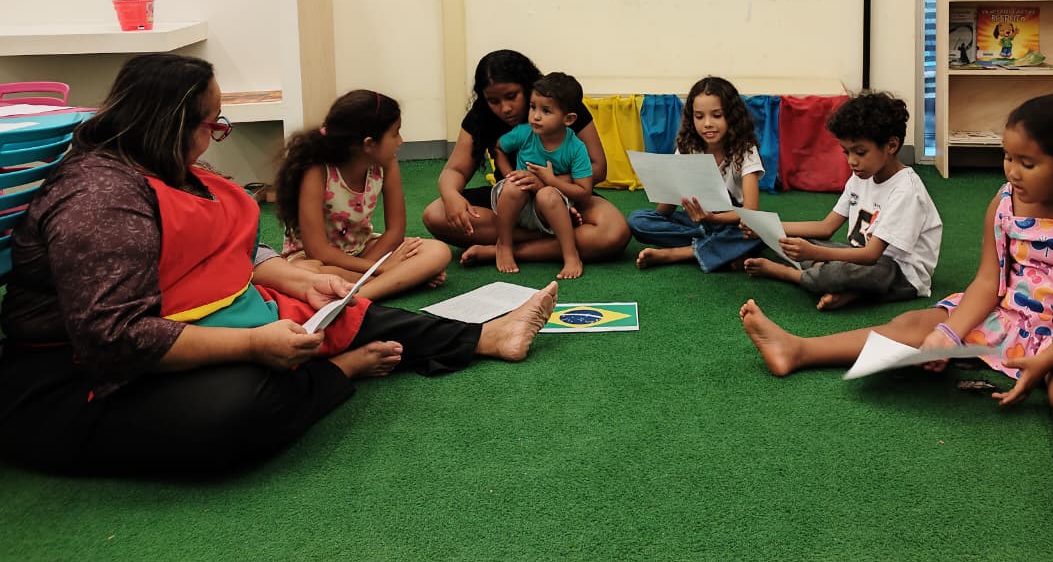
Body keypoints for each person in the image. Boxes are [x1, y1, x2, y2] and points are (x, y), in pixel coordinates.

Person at [0, 54, 558, 476]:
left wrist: (303, 280)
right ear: (171, 125)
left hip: (196, 316)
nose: (216, 138)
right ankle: (339, 372)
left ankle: (484, 338)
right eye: (213, 126)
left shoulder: (169, 168)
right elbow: (115, 338)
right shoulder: (100, 199)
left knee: (337, 308)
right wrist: (251, 344)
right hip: (78, 377)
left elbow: (239, 252)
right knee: (239, 408)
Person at [739, 94, 1053, 509]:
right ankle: (799, 350)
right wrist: (949, 333)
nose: (1012, 171)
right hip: (1009, 314)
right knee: (914, 325)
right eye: (1007, 158)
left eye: (1027, 163)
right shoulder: (1005, 201)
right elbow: (987, 283)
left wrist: (1046, 361)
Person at [422, 50, 629, 265]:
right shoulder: (481, 115)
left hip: (563, 195)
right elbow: (455, 169)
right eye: (493, 101)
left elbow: (598, 166)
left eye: (512, 96)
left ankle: (504, 250)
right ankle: (556, 233)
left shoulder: (561, 103)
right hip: (512, 200)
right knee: (436, 214)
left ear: (528, 87)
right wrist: (451, 196)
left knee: (614, 231)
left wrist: (548, 182)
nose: (505, 108)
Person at [744, 91, 942, 310]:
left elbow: (871, 255)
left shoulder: (906, 190)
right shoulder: (861, 176)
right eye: (846, 152)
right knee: (787, 241)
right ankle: (848, 291)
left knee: (840, 271)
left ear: (891, 146)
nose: (852, 161)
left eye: (860, 152)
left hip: (898, 272)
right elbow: (825, 227)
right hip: (857, 255)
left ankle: (790, 274)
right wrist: (766, 228)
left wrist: (814, 253)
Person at [275, 89, 451, 301]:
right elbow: (318, 251)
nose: (401, 141)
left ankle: (356, 295)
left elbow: (395, 231)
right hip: (316, 260)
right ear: (369, 144)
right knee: (309, 272)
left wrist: (375, 265)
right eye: (395, 133)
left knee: (437, 251)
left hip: (363, 250)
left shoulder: (387, 163)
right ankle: (395, 280)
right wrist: (381, 268)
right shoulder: (316, 170)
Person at [629, 76, 764, 271]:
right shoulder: (688, 147)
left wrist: (713, 219)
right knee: (638, 220)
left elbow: (751, 211)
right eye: (699, 117)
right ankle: (720, 248)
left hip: (730, 220)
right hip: (696, 220)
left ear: (733, 116)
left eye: (716, 115)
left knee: (756, 230)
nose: (707, 123)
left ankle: (678, 253)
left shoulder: (745, 149)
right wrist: (658, 216)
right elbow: (671, 201)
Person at [491, 72, 593, 280]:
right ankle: (504, 244)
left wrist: (551, 181)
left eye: (546, 111)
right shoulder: (524, 133)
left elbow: (584, 191)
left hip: (548, 209)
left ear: (568, 119)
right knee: (514, 186)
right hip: (517, 203)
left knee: (547, 194)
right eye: (533, 107)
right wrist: (509, 174)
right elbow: (498, 148)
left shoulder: (576, 147)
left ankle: (570, 255)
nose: (535, 116)